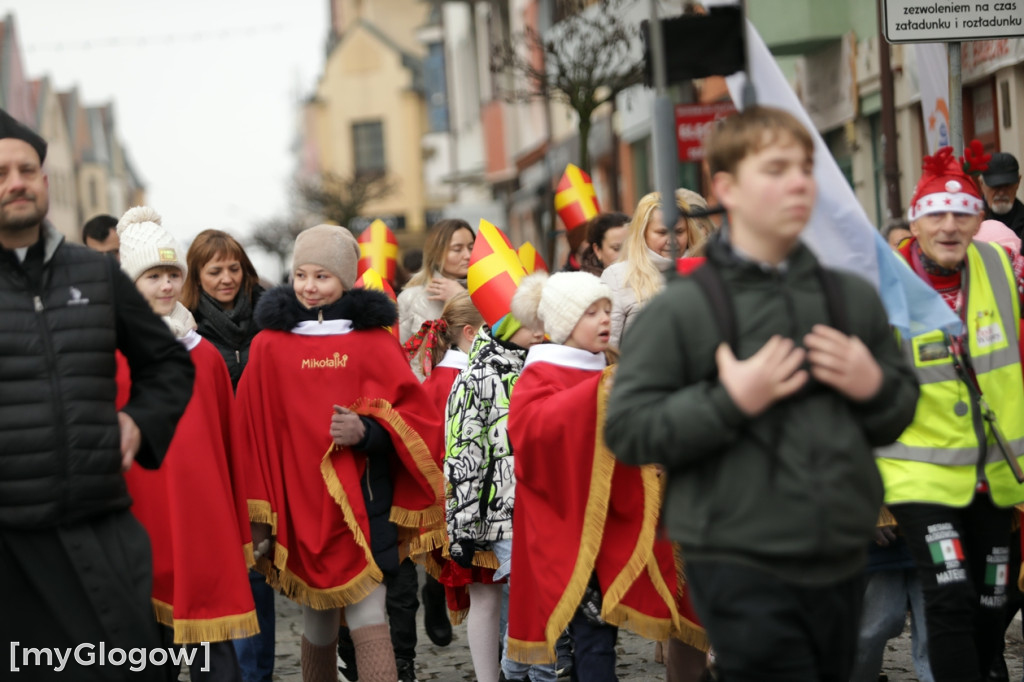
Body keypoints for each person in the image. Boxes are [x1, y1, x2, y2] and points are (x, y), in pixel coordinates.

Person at [605, 105, 920, 682]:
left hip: (837, 545)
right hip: (735, 550)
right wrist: (730, 400)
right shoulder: (682, 307)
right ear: (726, 187)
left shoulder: (849, 296)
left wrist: (873, 387)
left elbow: (897, 411)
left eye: (805, 168)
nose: (798, 183)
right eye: (776, 169)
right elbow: (628, 429)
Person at [0, 109, 194, 680]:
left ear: (45, 181)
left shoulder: (95, 274)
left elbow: (167, 366)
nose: (16, 181)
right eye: (2, 171)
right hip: (10, 543)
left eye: (27, 169)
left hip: (101, 527)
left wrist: (141, 420)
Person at [234, 224, 444, 682]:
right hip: (298, 505)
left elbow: (417, 419)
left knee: (370, 616)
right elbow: (251, 429)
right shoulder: (269, 345)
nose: (310, 286)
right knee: (317, 619)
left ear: (346, 281)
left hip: (363, 503)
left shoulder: (372, 342)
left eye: (322, 276)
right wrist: (259, 517)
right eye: (301, 275)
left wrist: (367, 430)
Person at [506, 271, 708, 682]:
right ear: (563, 324)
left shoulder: (612, 367)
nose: (603, 319)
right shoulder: (540, 375)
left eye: (606, 310)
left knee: (610, 633)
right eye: (589, 312)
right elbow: (531, 432)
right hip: (571, 533)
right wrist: (596, 395)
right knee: (594, 636)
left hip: (624, 522)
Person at [888, 144, 1024, 681]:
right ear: (916, 225)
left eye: (962, 213)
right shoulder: (885, 281)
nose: (949, 225)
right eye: (935, 215)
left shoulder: (997, 264)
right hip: (921, 475)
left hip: (995, 471)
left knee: (992, 602)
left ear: (980, 220)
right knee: (947, 597)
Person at [115, 206, 257, 681]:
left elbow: (229, 445)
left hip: (202, 527)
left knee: (216, 665)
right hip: (141, 524)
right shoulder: (112, 356)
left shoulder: (207, 357)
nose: (167, 286)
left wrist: (240, 521)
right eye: (152, 276)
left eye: (172, 274)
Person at [445, 222, 550, 682]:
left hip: (545, 507)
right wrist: (464, 530)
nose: (543, 330)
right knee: (528, 600)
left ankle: (524, 667)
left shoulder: (545, 361)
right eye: (533, 322)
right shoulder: (476, 378)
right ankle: (518, 670)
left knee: (536, 601)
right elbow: (464, 456)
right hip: (503, 514)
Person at [601, 189, 711, 348]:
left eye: (679, 231)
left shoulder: (705, 271)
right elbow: (608, 349)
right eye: (662, 232)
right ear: (643, 234)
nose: (672, 240)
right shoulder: (618, 276)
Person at [398, 219, 474, 344]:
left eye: (471, 247)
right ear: (437, 254)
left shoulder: (487, 292)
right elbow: (401, 352)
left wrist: (462, 299)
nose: (468, 255)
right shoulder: (410, 297)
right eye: (457, 249)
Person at [981, 152, 1024, 243]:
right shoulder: (968, 221)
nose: (1001, 193)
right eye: (995, 186)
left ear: (1018, 183)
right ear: (981, 184)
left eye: (1007, 185)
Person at [579, 212, 630, 276]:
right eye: (617, 248)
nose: (626, 254)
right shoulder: (586, 283)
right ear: (597, 250)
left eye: (630, 247)